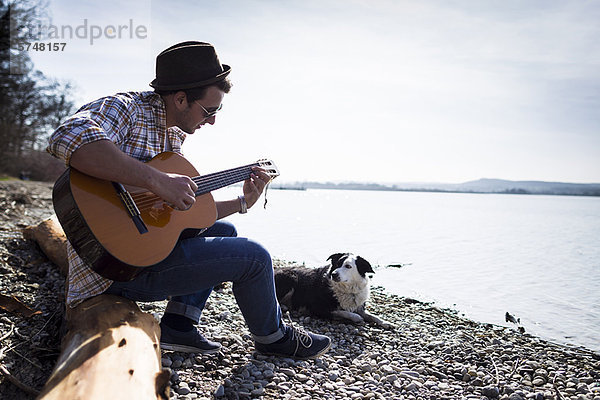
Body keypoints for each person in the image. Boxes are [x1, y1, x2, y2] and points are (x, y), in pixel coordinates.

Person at [47, 41, 331, 359]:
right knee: (255, 257)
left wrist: (242, 203)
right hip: (111, 270)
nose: (211, 121)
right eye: (209, 110)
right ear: (180, 98)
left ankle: (179, 326)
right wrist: (157, 180)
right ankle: (274, 337)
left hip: (138, 255)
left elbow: (183, 215)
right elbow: (67, 136)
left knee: (226, 232)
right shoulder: (126, 108)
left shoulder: (172, 136)